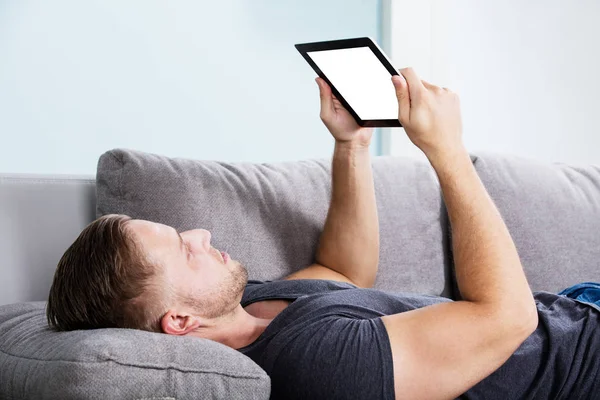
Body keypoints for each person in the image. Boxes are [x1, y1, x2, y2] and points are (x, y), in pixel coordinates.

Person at [46, 68, 600, 400]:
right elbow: (508, 318)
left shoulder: (248, 307)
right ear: (180, 322)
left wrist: (350, 144)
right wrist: (448, 152)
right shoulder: (316, 365)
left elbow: (342, 274)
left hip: (579, 306)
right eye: (182, 250)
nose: (199, 232)